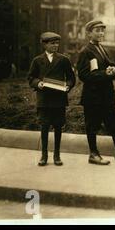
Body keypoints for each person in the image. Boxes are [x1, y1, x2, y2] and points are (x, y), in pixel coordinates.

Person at [77, 20, 115, 165]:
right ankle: (93, 154)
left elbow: (112, 66)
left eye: (102, 30)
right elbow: (83, 75)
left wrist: (114, 70)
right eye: (97, 30)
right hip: (93, 97)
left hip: (107, 96)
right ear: (89, 33)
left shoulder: (103, 49)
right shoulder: (86, 51)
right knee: (92, 125)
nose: (101, 33)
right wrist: (106, 74)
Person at [27, 32, 76, 166]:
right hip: (44, 100)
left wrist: (68, 87)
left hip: (59, 99)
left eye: (57, 43)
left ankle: (57, 155)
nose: (55, 45)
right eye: (52, 43)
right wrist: (39, 83)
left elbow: (71, 78)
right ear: (44, 44)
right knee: (44, 127)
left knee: (58, 127)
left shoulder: (64, 60)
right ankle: (44, 155)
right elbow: (31, 78)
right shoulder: (37, 60)